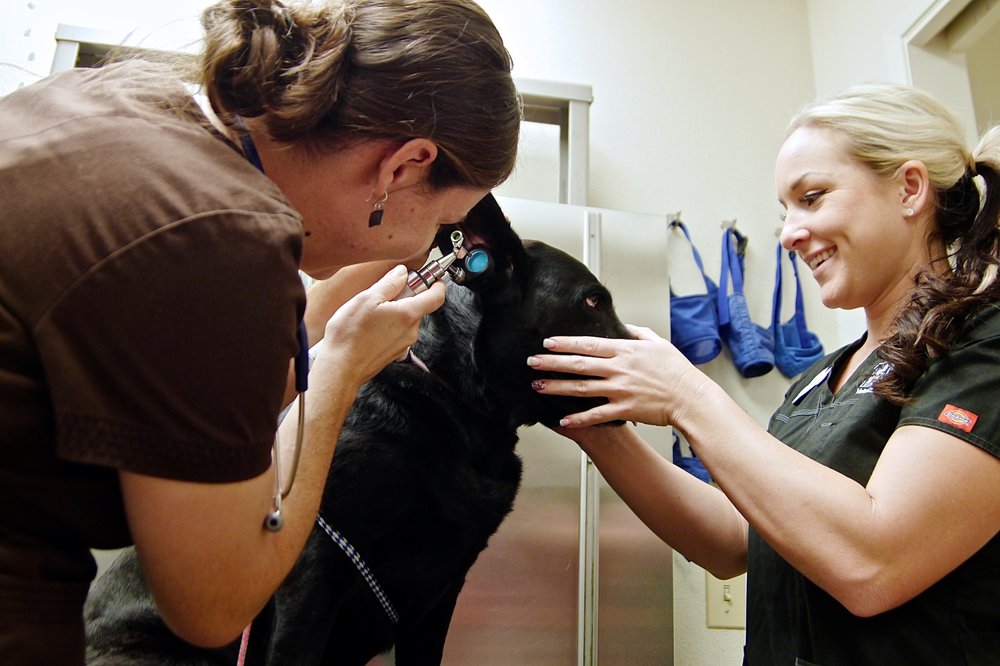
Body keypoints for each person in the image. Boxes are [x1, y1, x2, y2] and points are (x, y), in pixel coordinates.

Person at [0, 0, 520, 662]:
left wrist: (323, 319)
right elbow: (213, 606)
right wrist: (340, 368)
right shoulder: (226, 238)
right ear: (405, 165)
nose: (424, 248)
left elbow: (197, 398)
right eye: (443, 221)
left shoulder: (119, 102)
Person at [527, 84, 1000, 664]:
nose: (789, 234)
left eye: (812, 198)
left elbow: (874, 562)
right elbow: (734, 538)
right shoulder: (817, 381)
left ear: (909, 189)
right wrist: (590, 421)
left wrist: (686, 395)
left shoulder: (982, 347)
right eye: (785, 211)